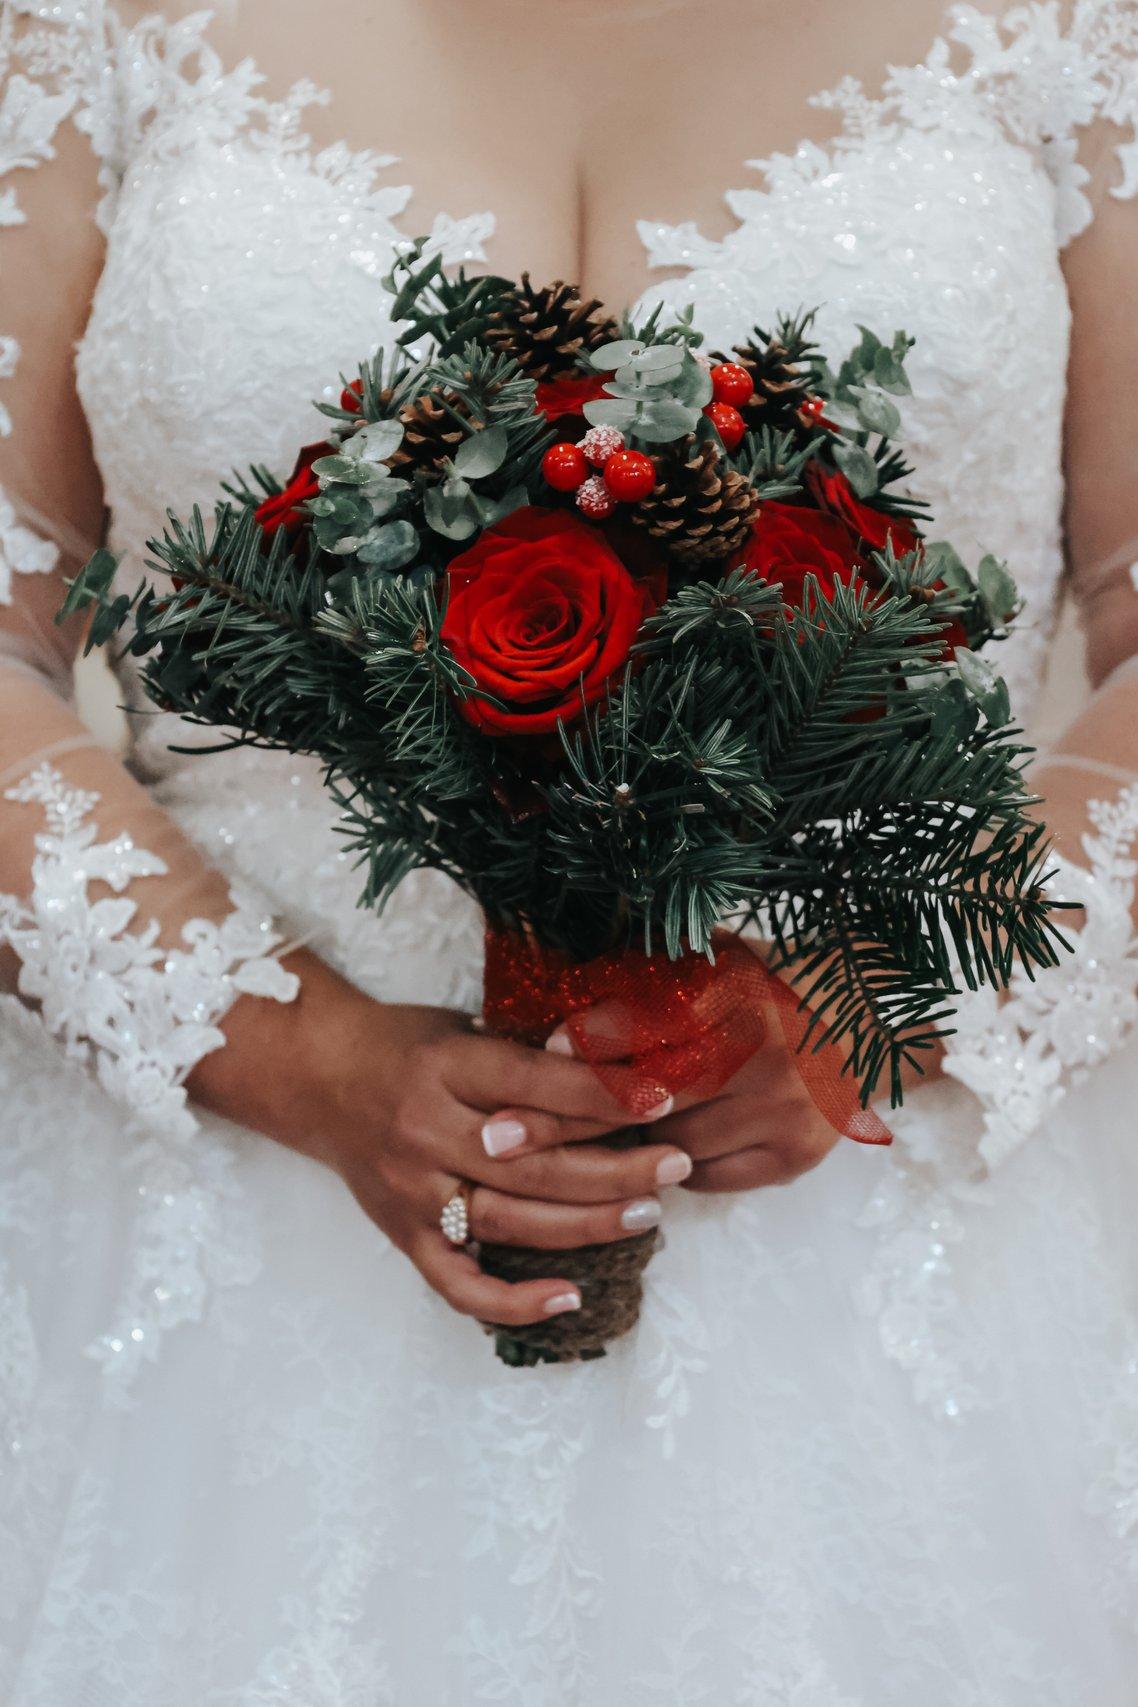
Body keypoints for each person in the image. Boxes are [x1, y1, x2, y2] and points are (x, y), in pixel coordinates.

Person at [3, 1, 1138, 1699]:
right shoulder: (83, 26)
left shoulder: (1069, 31)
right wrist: (293, 1051)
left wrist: (878, 994)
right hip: (220, 1247)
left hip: (893, 1245)